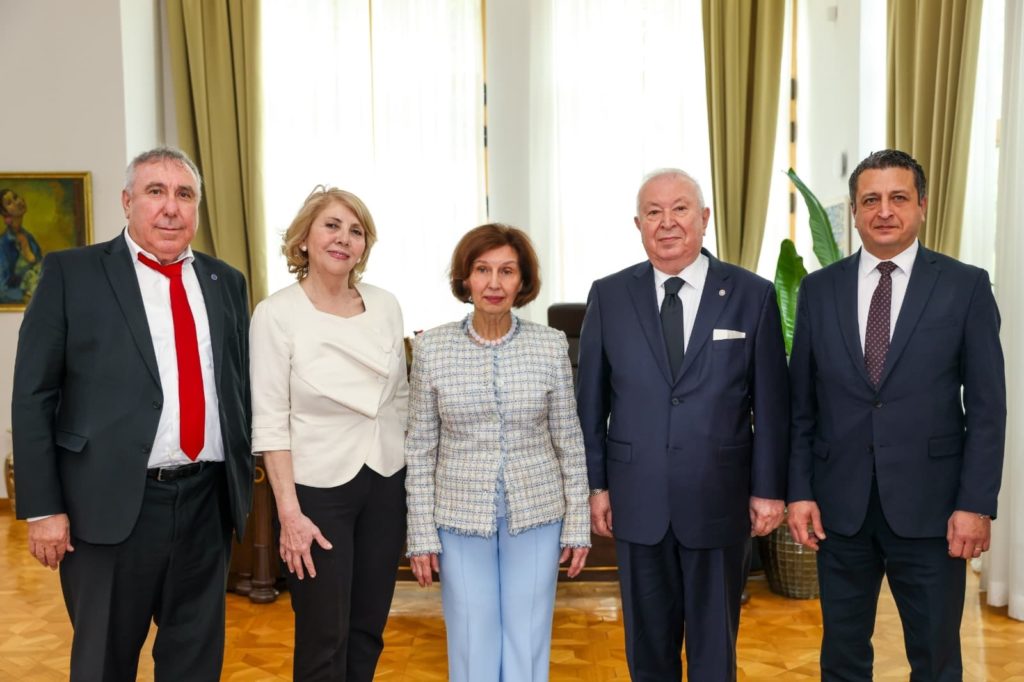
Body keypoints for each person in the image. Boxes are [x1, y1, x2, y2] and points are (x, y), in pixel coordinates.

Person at [11, 147, 253, 681]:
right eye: (155, 192)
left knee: (195, 663)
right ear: (126, 202)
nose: (171, 207)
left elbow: (238, 389)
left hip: (206, 504)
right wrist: (43, 508)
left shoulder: (227, 282)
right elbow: (33, 395)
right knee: (104, 663)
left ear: (197, 207)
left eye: (184, 194)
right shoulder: (73, 273)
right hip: (108, 508)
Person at [786, 149, 1006, 681]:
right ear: (855, 211)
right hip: (840, 510)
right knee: (842, 658)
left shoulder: (965, 286)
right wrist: (799, 492)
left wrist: (975, 504)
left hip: (934, 511)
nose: (884, 211)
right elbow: (801, 408)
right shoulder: (819, 290)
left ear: (922, 205)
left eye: (898, 198)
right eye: (871, 200)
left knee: (935, 658)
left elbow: (987, 408)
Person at [576, 168, 789, 681]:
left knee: (715, 649)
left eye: (680, 209)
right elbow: (591, 403)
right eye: (653, 212)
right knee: (648, 647)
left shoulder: (751, 294)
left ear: (704, 218)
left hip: (719, 498)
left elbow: (772, 404)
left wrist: (768, 490)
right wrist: (596, 485)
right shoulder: (609, 295)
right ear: (638, 224)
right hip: (637, 498)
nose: (666, 222)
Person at [405, 223, 591, 682]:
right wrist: (421, 533)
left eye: (506, 271)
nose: (494, 283)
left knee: (528, 637)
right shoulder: (431, 348)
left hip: (538, 513)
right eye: (482, 269)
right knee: (472, 637)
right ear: (464, 279)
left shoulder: (550, 345)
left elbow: (569, 440)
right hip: (458, 516)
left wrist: (578, 523)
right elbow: (420, 448)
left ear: (522, 280)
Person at [250, 186, 409, 681]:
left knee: (368, 628)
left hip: (386, 480)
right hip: (316, 493)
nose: (344, 238)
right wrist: (289, 513)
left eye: (356, 231)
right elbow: (270, 421)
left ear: (364, 246)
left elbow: (401, 398)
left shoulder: (386, 305)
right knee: (324, 634)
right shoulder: (276, 314)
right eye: (332, 226)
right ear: (304, 238)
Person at [0, 188, 44, 302]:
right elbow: (2, 290)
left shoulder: (29, 238)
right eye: (9, 203)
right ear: (6, 215)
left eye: (15, 197)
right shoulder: (3, 245)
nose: (17, 202)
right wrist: (24, 297)